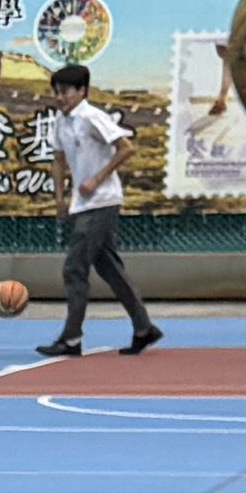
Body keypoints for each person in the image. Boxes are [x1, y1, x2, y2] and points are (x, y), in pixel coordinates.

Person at [46, 60, 160, 358]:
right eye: (56, 92)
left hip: (102, 200)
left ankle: (71, 338)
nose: (60, 98)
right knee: (109, 268)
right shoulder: (61, 120)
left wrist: (97, 178)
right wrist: (60, 199)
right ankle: (144, 328)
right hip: (82, 203)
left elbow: (126, 147)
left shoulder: (91, 117)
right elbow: (58, 158)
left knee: (74, 267)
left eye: (66, 92)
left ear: (82, 91)